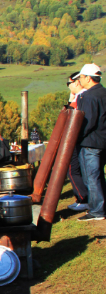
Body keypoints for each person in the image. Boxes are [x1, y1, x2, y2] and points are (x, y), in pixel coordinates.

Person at [75, 63, 106, 222]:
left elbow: (87, 122)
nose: (79, 80)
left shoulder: (89, 96)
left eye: (80, 77)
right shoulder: (104, 93)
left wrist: (77, 137)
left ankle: (97, 210)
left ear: (88, 77)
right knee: (99, 176)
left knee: (91, 177)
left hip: (90, 142)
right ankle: (101, 206)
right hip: (103, 140)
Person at [65, 71, 90, 212]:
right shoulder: (80, 96)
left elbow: (72, 115)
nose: (68, 87)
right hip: (80, 139)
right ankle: (81, 198)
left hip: (78, 139)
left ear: (76, 82)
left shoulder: (82, 97)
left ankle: (83, 198)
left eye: (69, 83)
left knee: (73, 169)